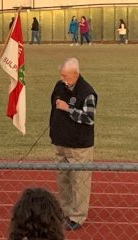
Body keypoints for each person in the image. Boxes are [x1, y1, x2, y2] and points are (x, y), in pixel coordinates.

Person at [49, 58, 98, 231]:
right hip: (61, 142)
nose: (62, 79)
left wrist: (68, 109)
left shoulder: (87, 92)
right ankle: (66, 210)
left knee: (80, 181)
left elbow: (89, 118)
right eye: (61, 75)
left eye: (65, 76)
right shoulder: (60, 86)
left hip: (79, 146)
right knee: (63, 179)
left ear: (75, 74)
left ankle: (77, 216)